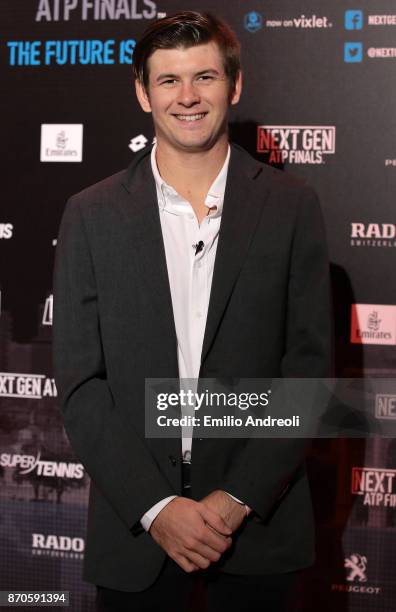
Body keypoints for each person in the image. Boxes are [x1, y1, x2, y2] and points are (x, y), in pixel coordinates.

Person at [53, 11, 331, 612]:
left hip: (259, 532)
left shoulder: (292, 207)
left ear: (234, 86)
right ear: (141, 91)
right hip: (137, 539)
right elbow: (80, 384)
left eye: (204, 77)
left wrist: (234, 499)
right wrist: (157, 508)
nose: (187, 97)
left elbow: (308, 377)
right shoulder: (90, 213)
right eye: (168, 80)